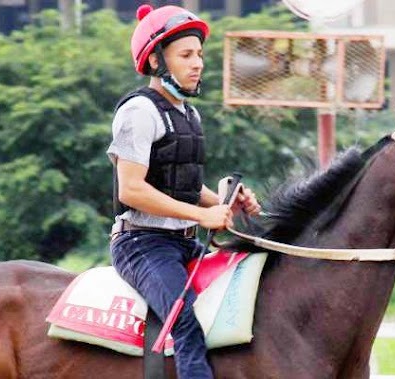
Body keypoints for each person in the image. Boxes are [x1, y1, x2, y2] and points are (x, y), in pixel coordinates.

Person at [106, 4, 261, 378]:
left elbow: (186, 187)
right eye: (186, 55)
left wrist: (226, 200)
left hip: (183, 242)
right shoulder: (139, 111)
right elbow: (131, 189)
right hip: (141, 244)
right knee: (187, 323)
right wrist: (203, 215)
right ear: (158, 61)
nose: (198, 64)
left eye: (200, 55)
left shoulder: (189, 114)